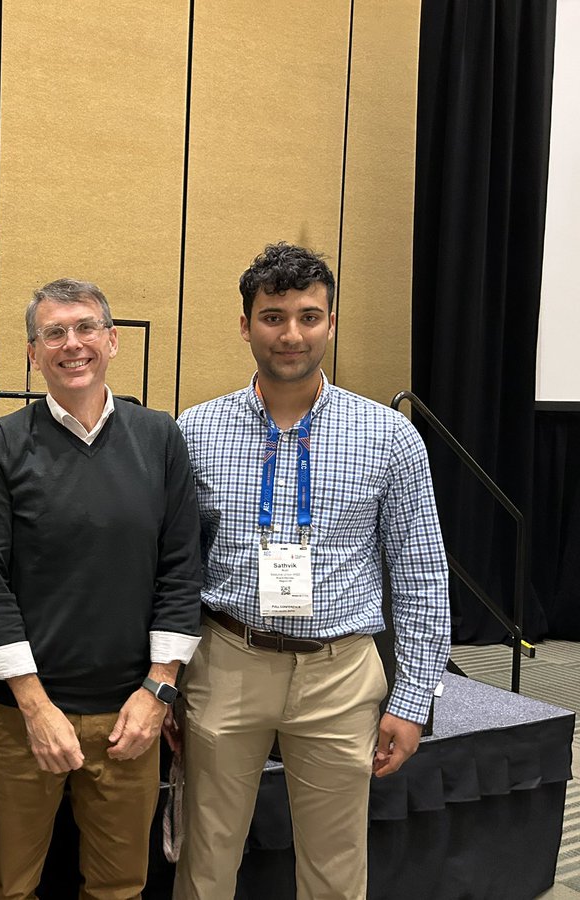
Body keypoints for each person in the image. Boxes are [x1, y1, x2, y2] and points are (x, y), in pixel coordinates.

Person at [174, 243, 451, 899]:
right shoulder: (193, 431)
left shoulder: (390, 436)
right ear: (245, 325)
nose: (291, 334)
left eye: (308, 315)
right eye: (272, 316)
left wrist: (411, 701)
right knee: (206, 858)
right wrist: (165, 679)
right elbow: (173, 568)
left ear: (331, 321)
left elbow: (421, 577)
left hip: (340, 673)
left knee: (334, 869)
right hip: (225, 659)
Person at [0, 278, 204, 899]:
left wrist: (159, 692)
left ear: (113, 340)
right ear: (32, 352)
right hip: (23, 718)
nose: (73, 344)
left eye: (86, 328)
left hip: (131, 714)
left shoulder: (160, 438)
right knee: (9, 887)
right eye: (54, 333)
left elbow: (181, 568)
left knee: (120, 888)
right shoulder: (3, 442)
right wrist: (35, 706)